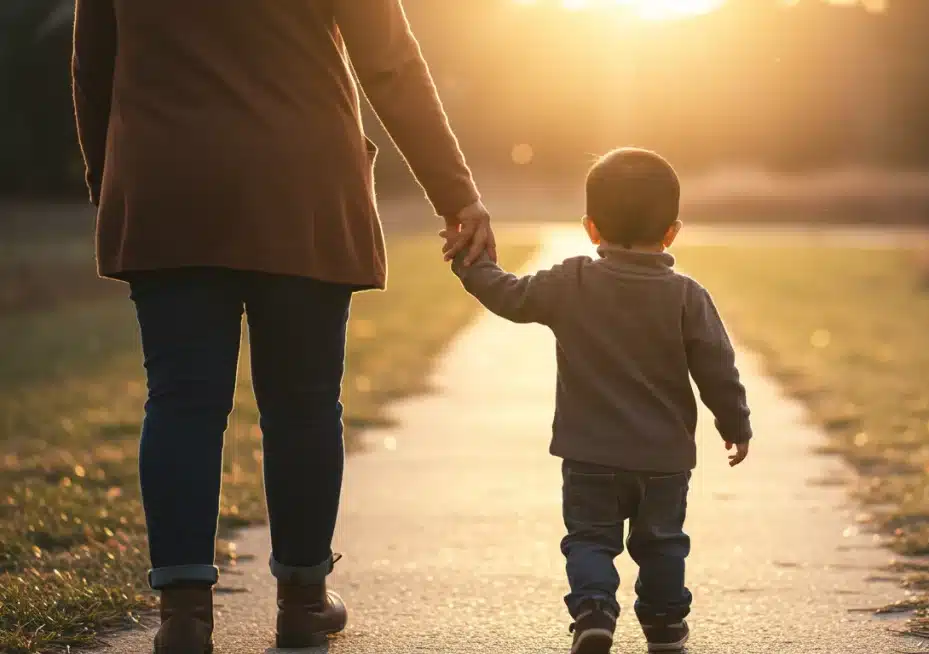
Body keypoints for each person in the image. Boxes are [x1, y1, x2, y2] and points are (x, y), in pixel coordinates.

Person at [71, 0, 494, 651]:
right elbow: (390, 64)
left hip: (168, 180)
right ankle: (302, 599)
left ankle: (183, 615)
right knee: (303, 403)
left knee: (182, 398)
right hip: (303, 182)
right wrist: (455, 193)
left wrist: (116, 181)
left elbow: (93, 62)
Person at [445, 147, 753, 654]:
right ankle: (664, 624)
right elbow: (718, 369)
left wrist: (469, 261)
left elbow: (510, 296)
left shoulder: (573, 281)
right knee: (662, 543)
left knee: (589, 540)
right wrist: (735, 422)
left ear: (591, 228)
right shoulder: (687, 296)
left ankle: (594, 609)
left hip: (589, 456)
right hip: (664, 461)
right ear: (672, 231)